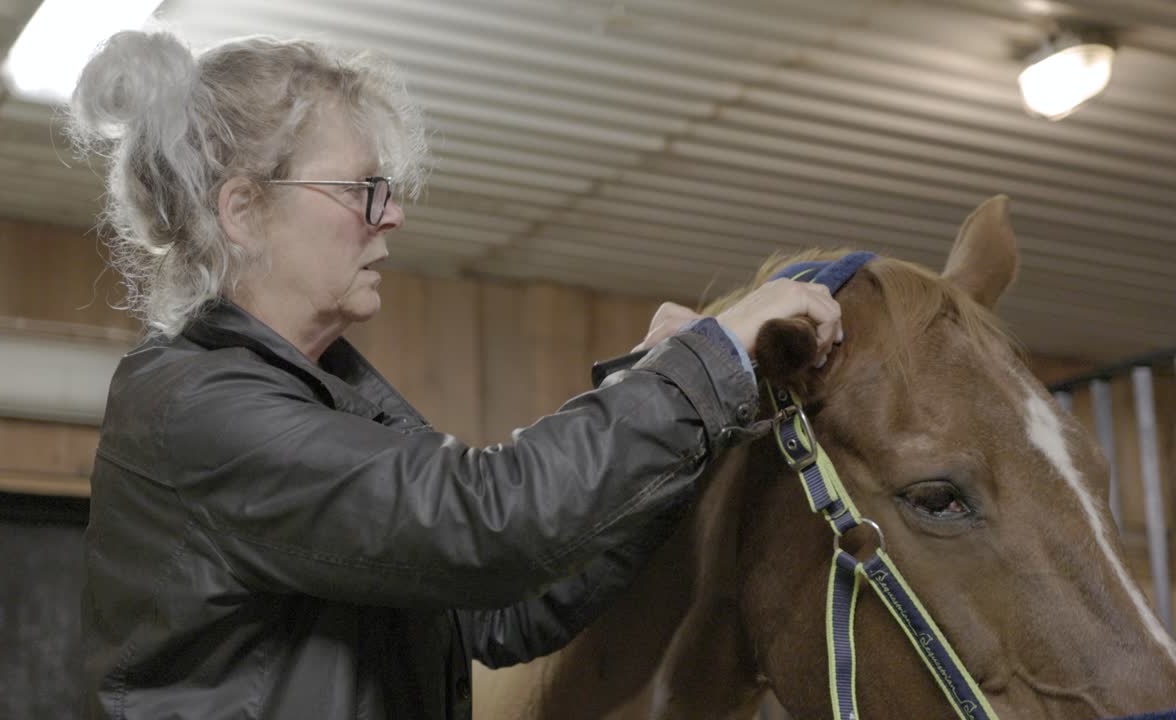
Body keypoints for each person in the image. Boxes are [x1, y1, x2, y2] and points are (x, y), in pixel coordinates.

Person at [72, 30, 842, 720]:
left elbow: (505, 607)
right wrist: (697, 370)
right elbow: (486, 518)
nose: (392, 216)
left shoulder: (320, 398)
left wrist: (662, 392)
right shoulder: (198, 409)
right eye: (361, 189)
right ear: (242, 209)